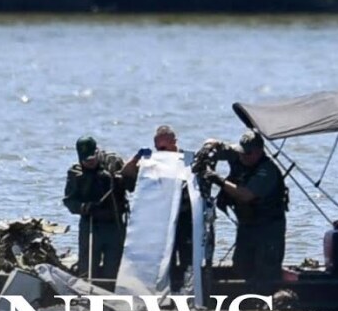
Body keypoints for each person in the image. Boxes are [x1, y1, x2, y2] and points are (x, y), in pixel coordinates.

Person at [203, 130, 288, 285]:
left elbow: (246, 195)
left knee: (265, 273)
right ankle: (243, 293)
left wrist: (218, 180)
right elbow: (217, 145)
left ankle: (268, 294)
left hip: (268, 229)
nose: (243, 156)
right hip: (247, 226)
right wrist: (209, 148)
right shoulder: (240, 155)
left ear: (259, 152)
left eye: (247, 153)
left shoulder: (267, 171)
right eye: (241, 151)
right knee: (241, 266)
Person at [120, 125, 193, 291]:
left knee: (187, 259)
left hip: (184, 220)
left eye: (164, 148)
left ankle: (188, 291)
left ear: (174, 143)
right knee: (165, 260)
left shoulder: (187, 161)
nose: (161, 152)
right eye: (158, 148)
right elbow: (125, 173)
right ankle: (167, 291)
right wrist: (137, 158)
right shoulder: (153, 163)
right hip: (162, 221)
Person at [62, 135, 133, 279]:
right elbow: (69, 201)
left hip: (114, 224)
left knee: (114, 267)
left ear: (97, 151)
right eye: (85, 160)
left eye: (92, 158)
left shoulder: (113, 163)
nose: (90, 162)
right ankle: (86, 290)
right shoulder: (76, 173)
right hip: (91, 224)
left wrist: (121, 179)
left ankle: (112, 289)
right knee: (87, 267)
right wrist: (85, 207)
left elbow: (132, 186)